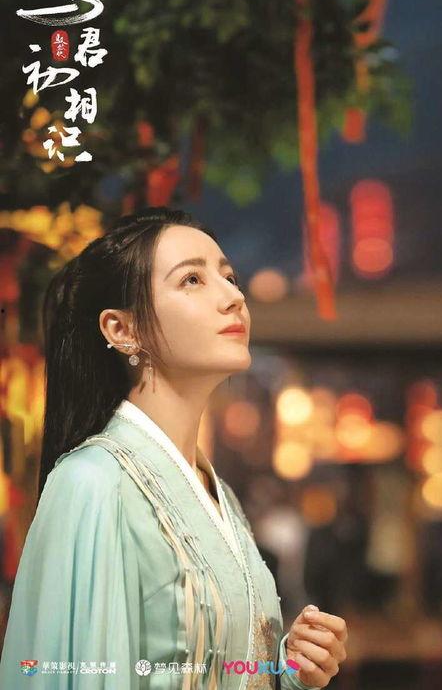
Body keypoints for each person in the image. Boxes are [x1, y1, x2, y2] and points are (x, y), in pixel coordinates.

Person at [0, 207, 348, 689]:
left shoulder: (218, 495)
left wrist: (288, 670)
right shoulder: (94, 481)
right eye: (192, 280)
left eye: (229, 277)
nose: (233, 297)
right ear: (122, 330)